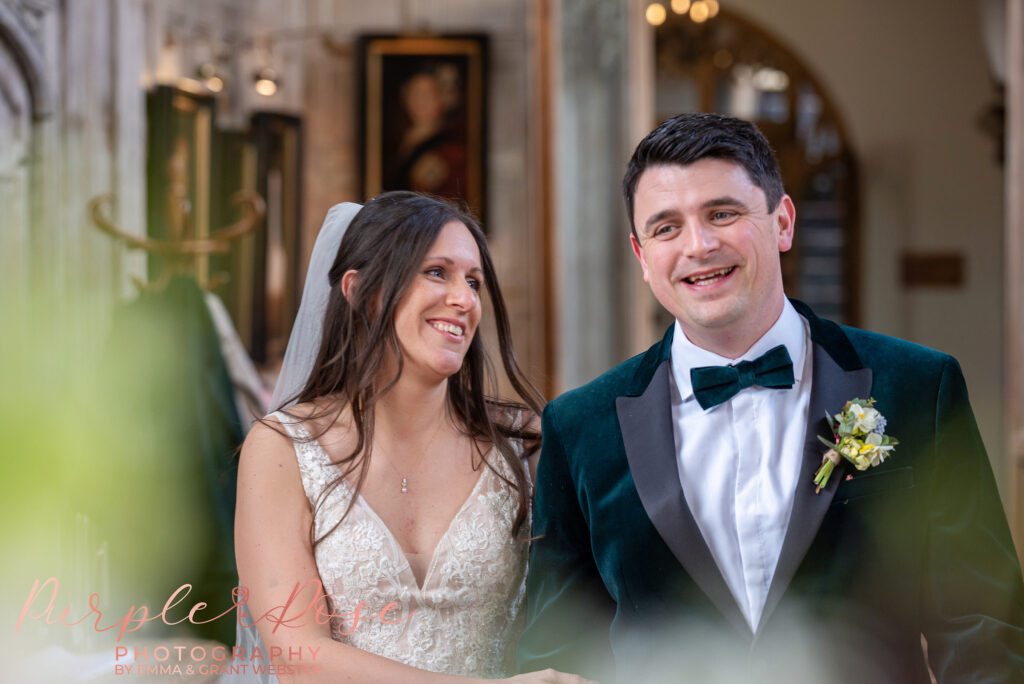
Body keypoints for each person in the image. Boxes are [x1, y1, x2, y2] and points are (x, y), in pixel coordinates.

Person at [517, 113, 1024, 683]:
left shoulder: (918, 385)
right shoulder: (580, 425)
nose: (699, 245)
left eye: (723, 214)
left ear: (782, 222)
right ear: (641, 256)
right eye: (666, 228)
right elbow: (552, 651)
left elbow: (982, 623)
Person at [233, 192, 587, 683]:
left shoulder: (524, 442)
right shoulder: (283, 448)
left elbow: (584, 609)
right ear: (360, 291)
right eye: (436, 272)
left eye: (474, 281)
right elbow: (296, 653)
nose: (464, 300)